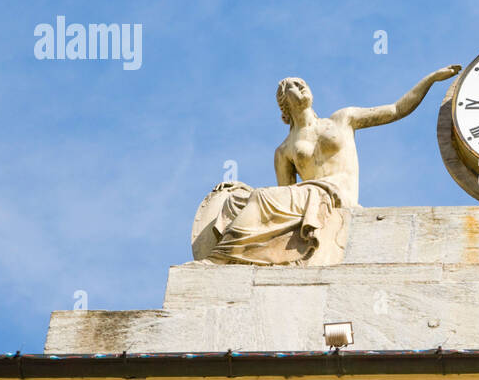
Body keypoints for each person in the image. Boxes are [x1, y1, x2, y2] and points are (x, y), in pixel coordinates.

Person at [196, 66, 460, 265]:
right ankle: (230, 251)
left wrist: (431, 79)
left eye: (302, 83)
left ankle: (224, 254)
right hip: (310, 197)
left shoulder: (342, 118)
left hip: (337, 194)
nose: (301, 86)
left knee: (262, 197)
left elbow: (395, 109)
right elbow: (284, 197)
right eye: (293, 85)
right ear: (284, 103)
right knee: (260, 197)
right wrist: (240, 188)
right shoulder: (284, 150)